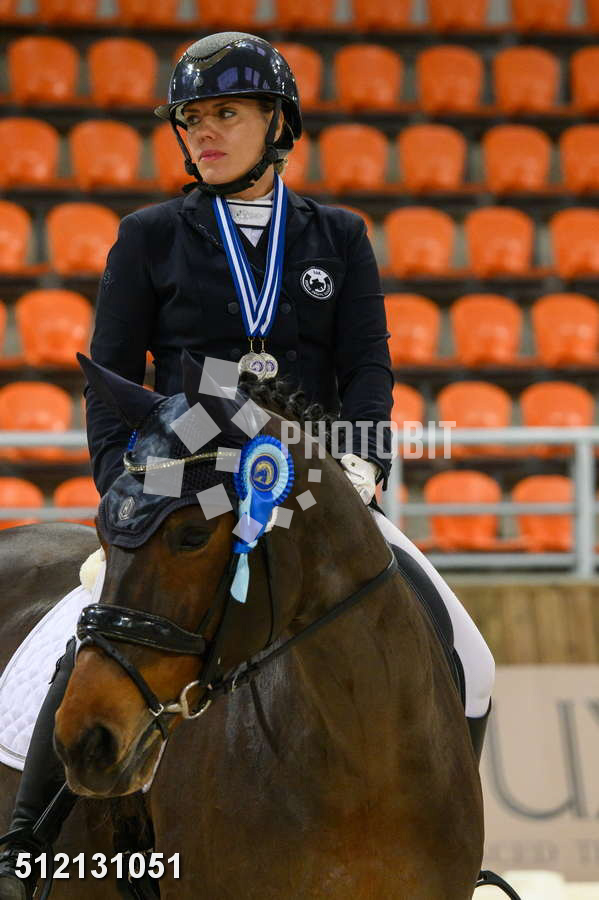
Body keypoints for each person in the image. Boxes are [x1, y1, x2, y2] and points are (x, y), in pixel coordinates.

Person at [0, 33, 495, 899]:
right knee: (90, 623)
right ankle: (28, 845)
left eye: (224, 113)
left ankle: (440, 846)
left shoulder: (338, 236)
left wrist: (361, 465)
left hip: (315, 484)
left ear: (277, 123)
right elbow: (109, 377)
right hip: (183, 469)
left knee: (473, 658)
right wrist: (128, 486)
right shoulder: (149, 237)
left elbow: (367, 368)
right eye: (190, 118)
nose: (203, 132)